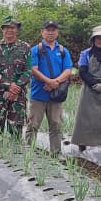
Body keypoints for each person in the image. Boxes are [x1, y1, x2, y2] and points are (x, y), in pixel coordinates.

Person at [26, 19, 73, 154]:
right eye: (48, 30)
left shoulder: (63, 51)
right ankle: (29, 153)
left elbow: (68, 70)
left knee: (56, 125)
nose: (50, 33)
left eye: (53, 30)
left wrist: (55, 83)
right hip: (38, 94)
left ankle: (56, 153)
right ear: (42, 32)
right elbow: (33, 69)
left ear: (57, 33)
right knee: (33, 125)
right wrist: (48, 81)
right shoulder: (35, 50)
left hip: (56, 95)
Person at [71, 25, 101, 151]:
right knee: (85, 117)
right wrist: (93, 84)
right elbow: (82, 71)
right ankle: (83, 142)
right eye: (98, 38)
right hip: (89, 89)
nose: (100, 40)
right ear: (93, 39)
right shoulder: (85, 54)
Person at [0, 16, 30, 137]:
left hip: (18, 96)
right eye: (6, 28)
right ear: (2, 30)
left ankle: (13, 155)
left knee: (15, 132)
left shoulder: (25, 47)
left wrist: (16, 88)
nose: (9, 30)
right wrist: (10, 85)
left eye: (12, 27)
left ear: (17, 29)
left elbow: (28, 70)